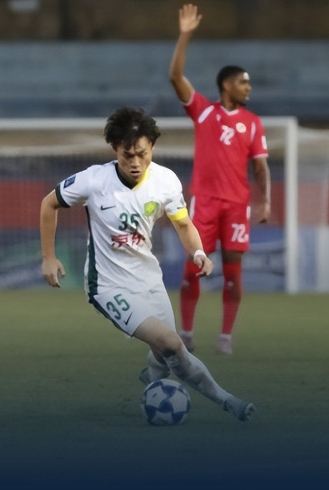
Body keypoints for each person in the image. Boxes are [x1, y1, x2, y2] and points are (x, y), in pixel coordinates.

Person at [40, 107, 254, 422]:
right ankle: (228, 401)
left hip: (149, 281)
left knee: (166, 352)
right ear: (115, 149)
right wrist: (48, 256)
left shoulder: (165, 181)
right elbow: (49, 203)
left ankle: (152, 379)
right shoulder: (93, 180)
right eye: (128, 155)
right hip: (108, 286)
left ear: (152, 147)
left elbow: (183, 224)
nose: (136, 162)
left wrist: (198, 252)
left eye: (142, 153)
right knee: (171, 343)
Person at [169, 4, 271, 355]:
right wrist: (185, 35)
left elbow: (261, 167)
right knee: (192, 268)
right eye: (244, 82)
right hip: (205, 201)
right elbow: (175, 76)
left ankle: (225, 337)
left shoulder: (253, 123)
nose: (249, 87)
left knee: (233, 271)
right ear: (226, 85)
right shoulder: (203, 111)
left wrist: (265, 200)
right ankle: (186, 333)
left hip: (237, 205)